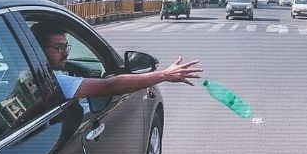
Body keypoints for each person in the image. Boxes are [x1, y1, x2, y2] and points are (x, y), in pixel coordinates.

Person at [30, 22, 202, 102]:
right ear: (39, 51)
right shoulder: (57, 81)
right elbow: (111, 86)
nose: (66, 53)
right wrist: (164, 75)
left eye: (66, 47)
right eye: (59, 48)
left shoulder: (31, 74)